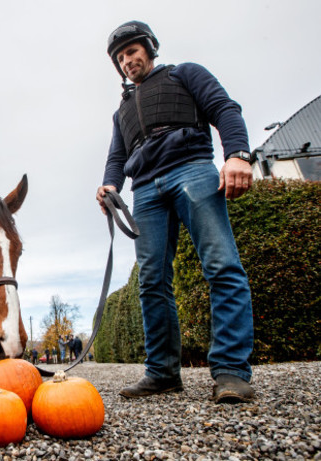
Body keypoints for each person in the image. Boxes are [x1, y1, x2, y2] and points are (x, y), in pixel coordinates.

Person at [97, 21, 255, 404]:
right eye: (120, 57)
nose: (127, 61)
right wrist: (110, 185)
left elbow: (224, 108)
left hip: (192, 169)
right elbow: (117, 156)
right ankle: (163, 372)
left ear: (149, 48)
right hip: (146, 189)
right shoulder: (121, 112)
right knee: (151, 281)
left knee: (220, 265)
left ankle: (232, 372)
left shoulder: (184, 73)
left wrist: (237, 154)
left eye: (132, 51)